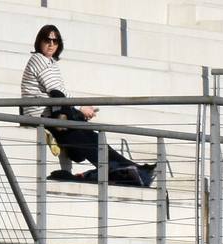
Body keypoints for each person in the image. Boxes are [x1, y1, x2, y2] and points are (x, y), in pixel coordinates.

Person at [19, 23, 146, 184]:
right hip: (41, 115)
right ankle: (122, 169)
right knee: (82, 135)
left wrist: (80, 108)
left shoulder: (51, 62)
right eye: (47, 40)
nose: (51, 44)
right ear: (39, 41)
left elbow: (60, 93)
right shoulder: (38, 58)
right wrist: (80, 107)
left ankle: (129, 167)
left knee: (90, 136)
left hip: (53, 113)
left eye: (55, 41)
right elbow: (56, 90)